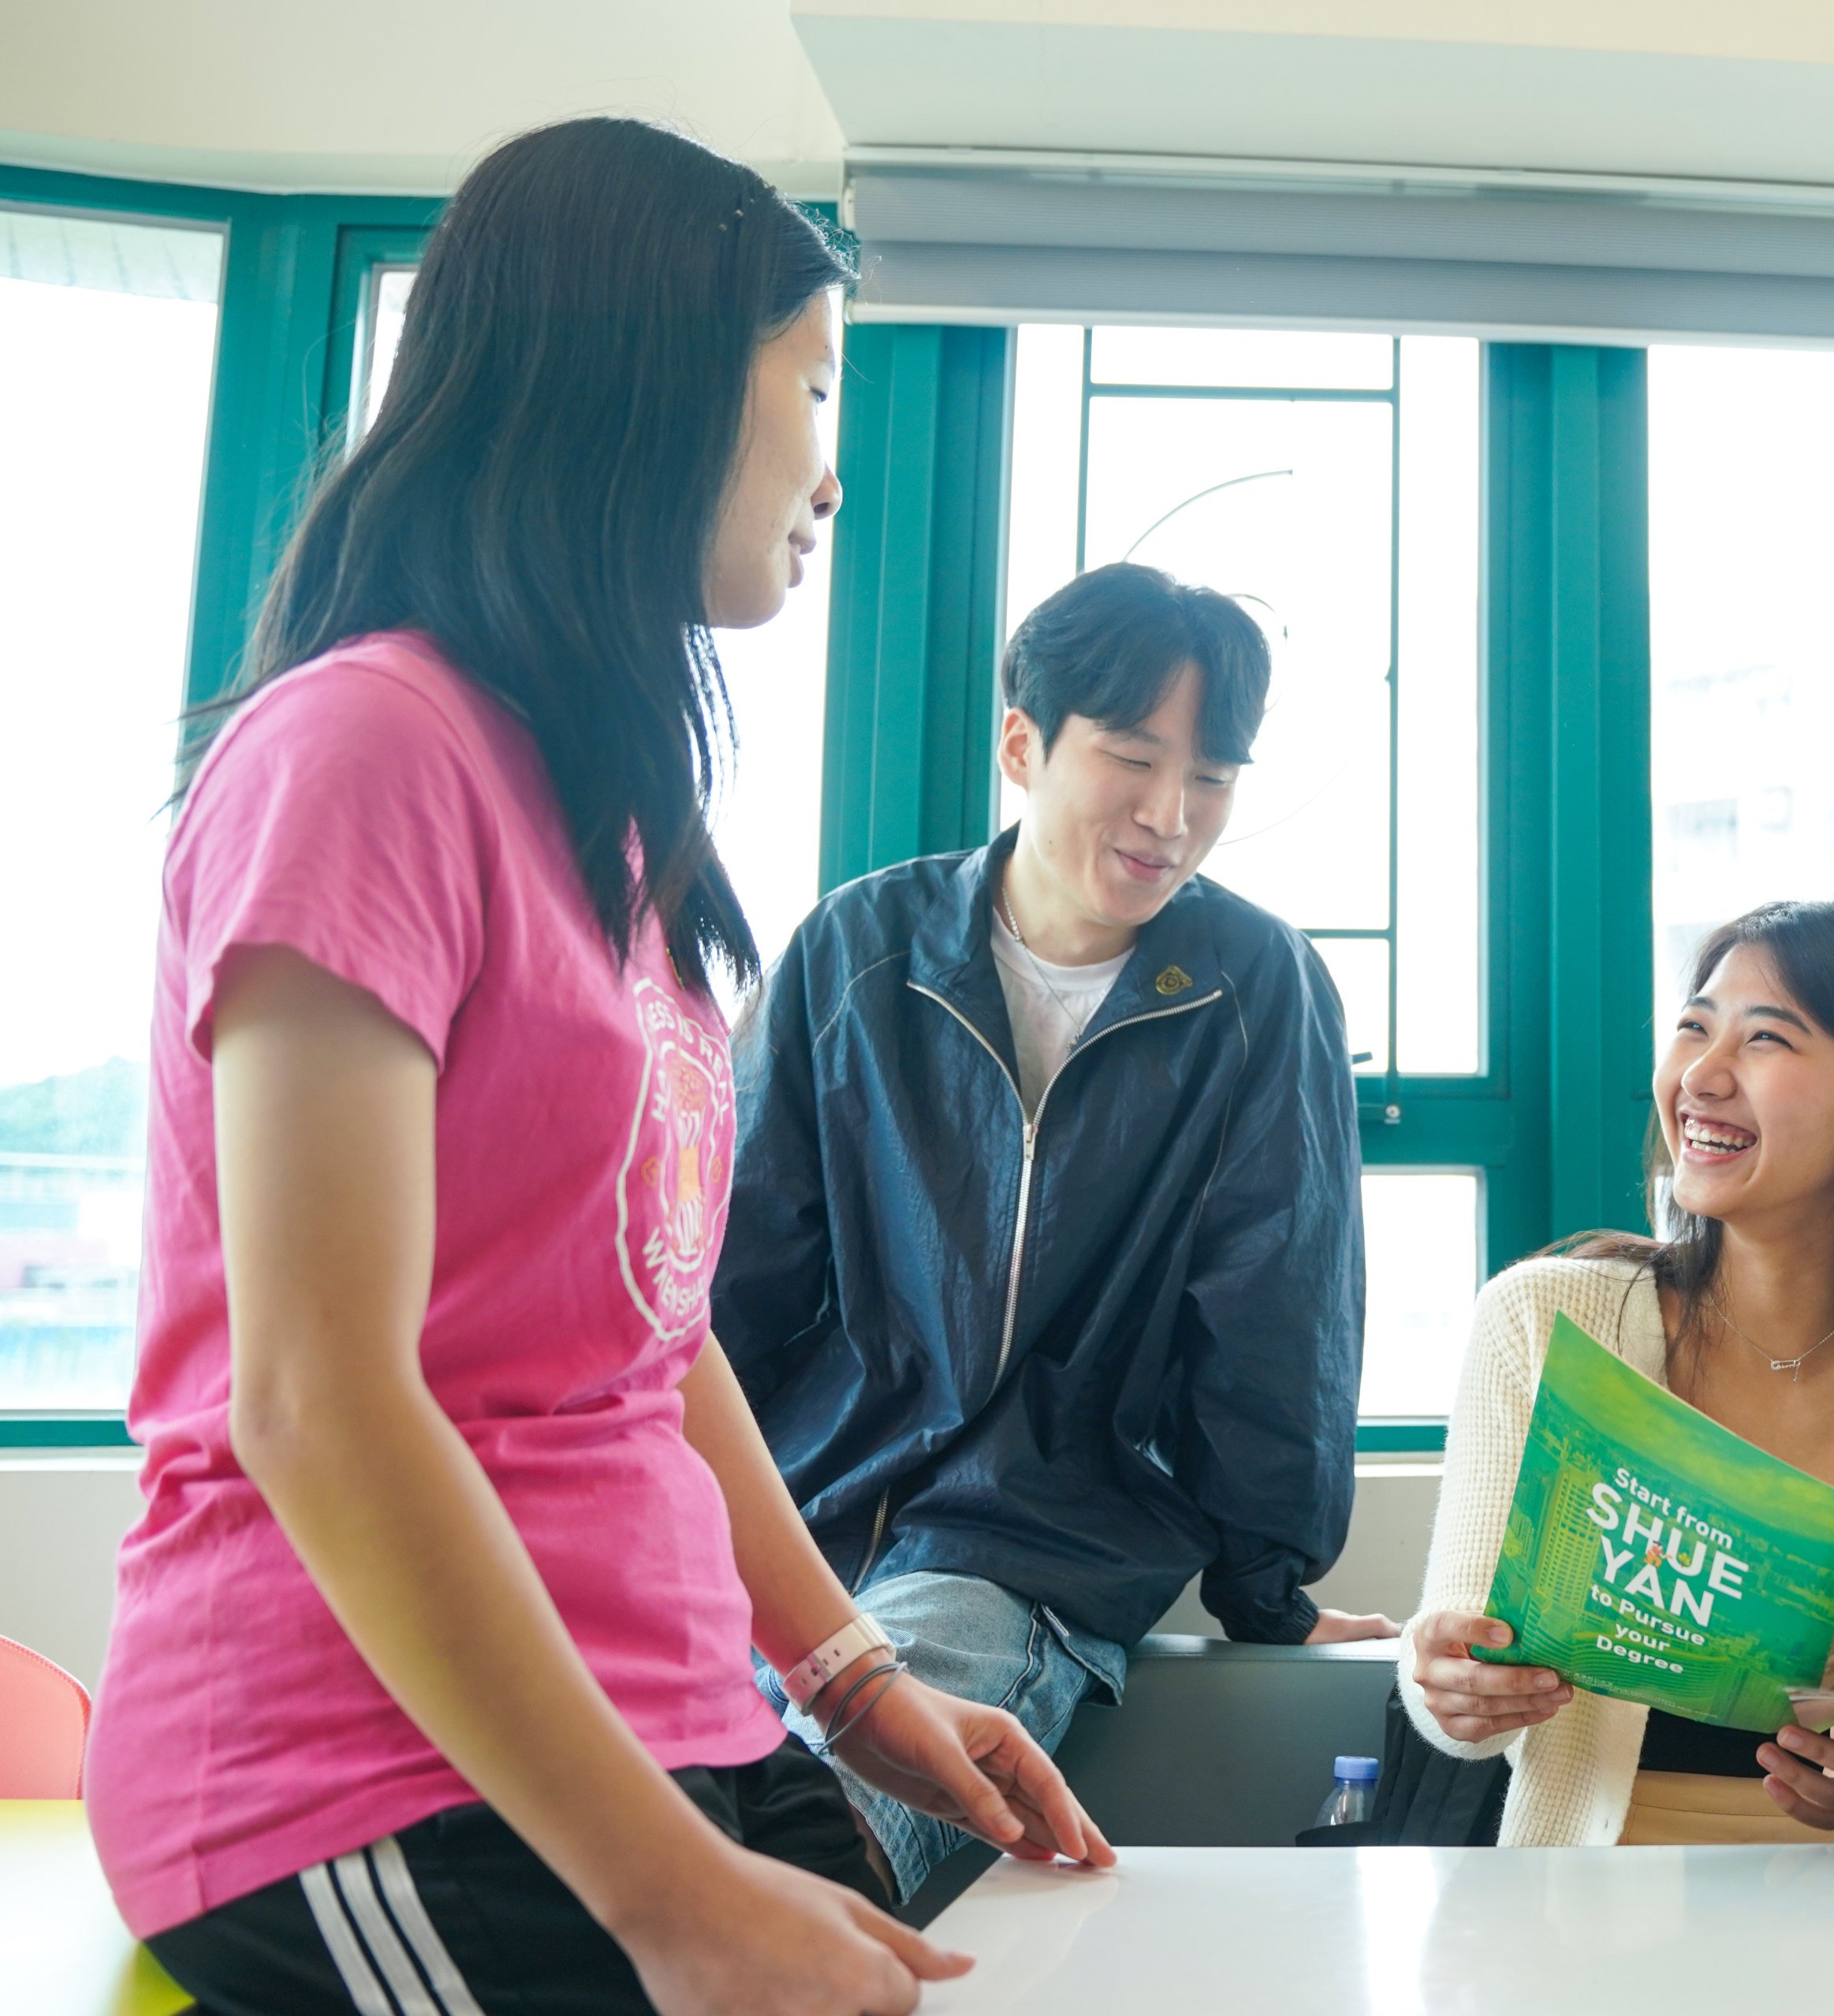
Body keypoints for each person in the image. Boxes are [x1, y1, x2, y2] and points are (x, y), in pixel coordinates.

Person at [84, 119, 1109, 2016]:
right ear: (642, 380)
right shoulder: (363, 748)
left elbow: (645, 1335)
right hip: (365, 1773)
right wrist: (670, 1899)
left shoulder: (608, 825)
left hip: (661, 1727)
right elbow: (317, 1398)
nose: (833, 462)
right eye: (812, 383)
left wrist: (856, 1684)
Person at [713, 560, 1385, 1899]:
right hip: (794, 1530)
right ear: (1023, 743)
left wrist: (1271, 1592)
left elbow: (1278, 1322)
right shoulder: (858, 948)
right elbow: (735, 1278)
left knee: (799, 1855)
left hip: (1027, 1553)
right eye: (1133, 759)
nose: (1170, 817)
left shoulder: (1258, 990)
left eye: (1211, 777)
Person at [1402, 898, 1834, 1845]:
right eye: (1694, 1027)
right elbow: (1454, 1644)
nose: (1701, 1074)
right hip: (1596, 1895)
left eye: (1766, 1039)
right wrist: (1452, 1692)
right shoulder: (1541, 1318)